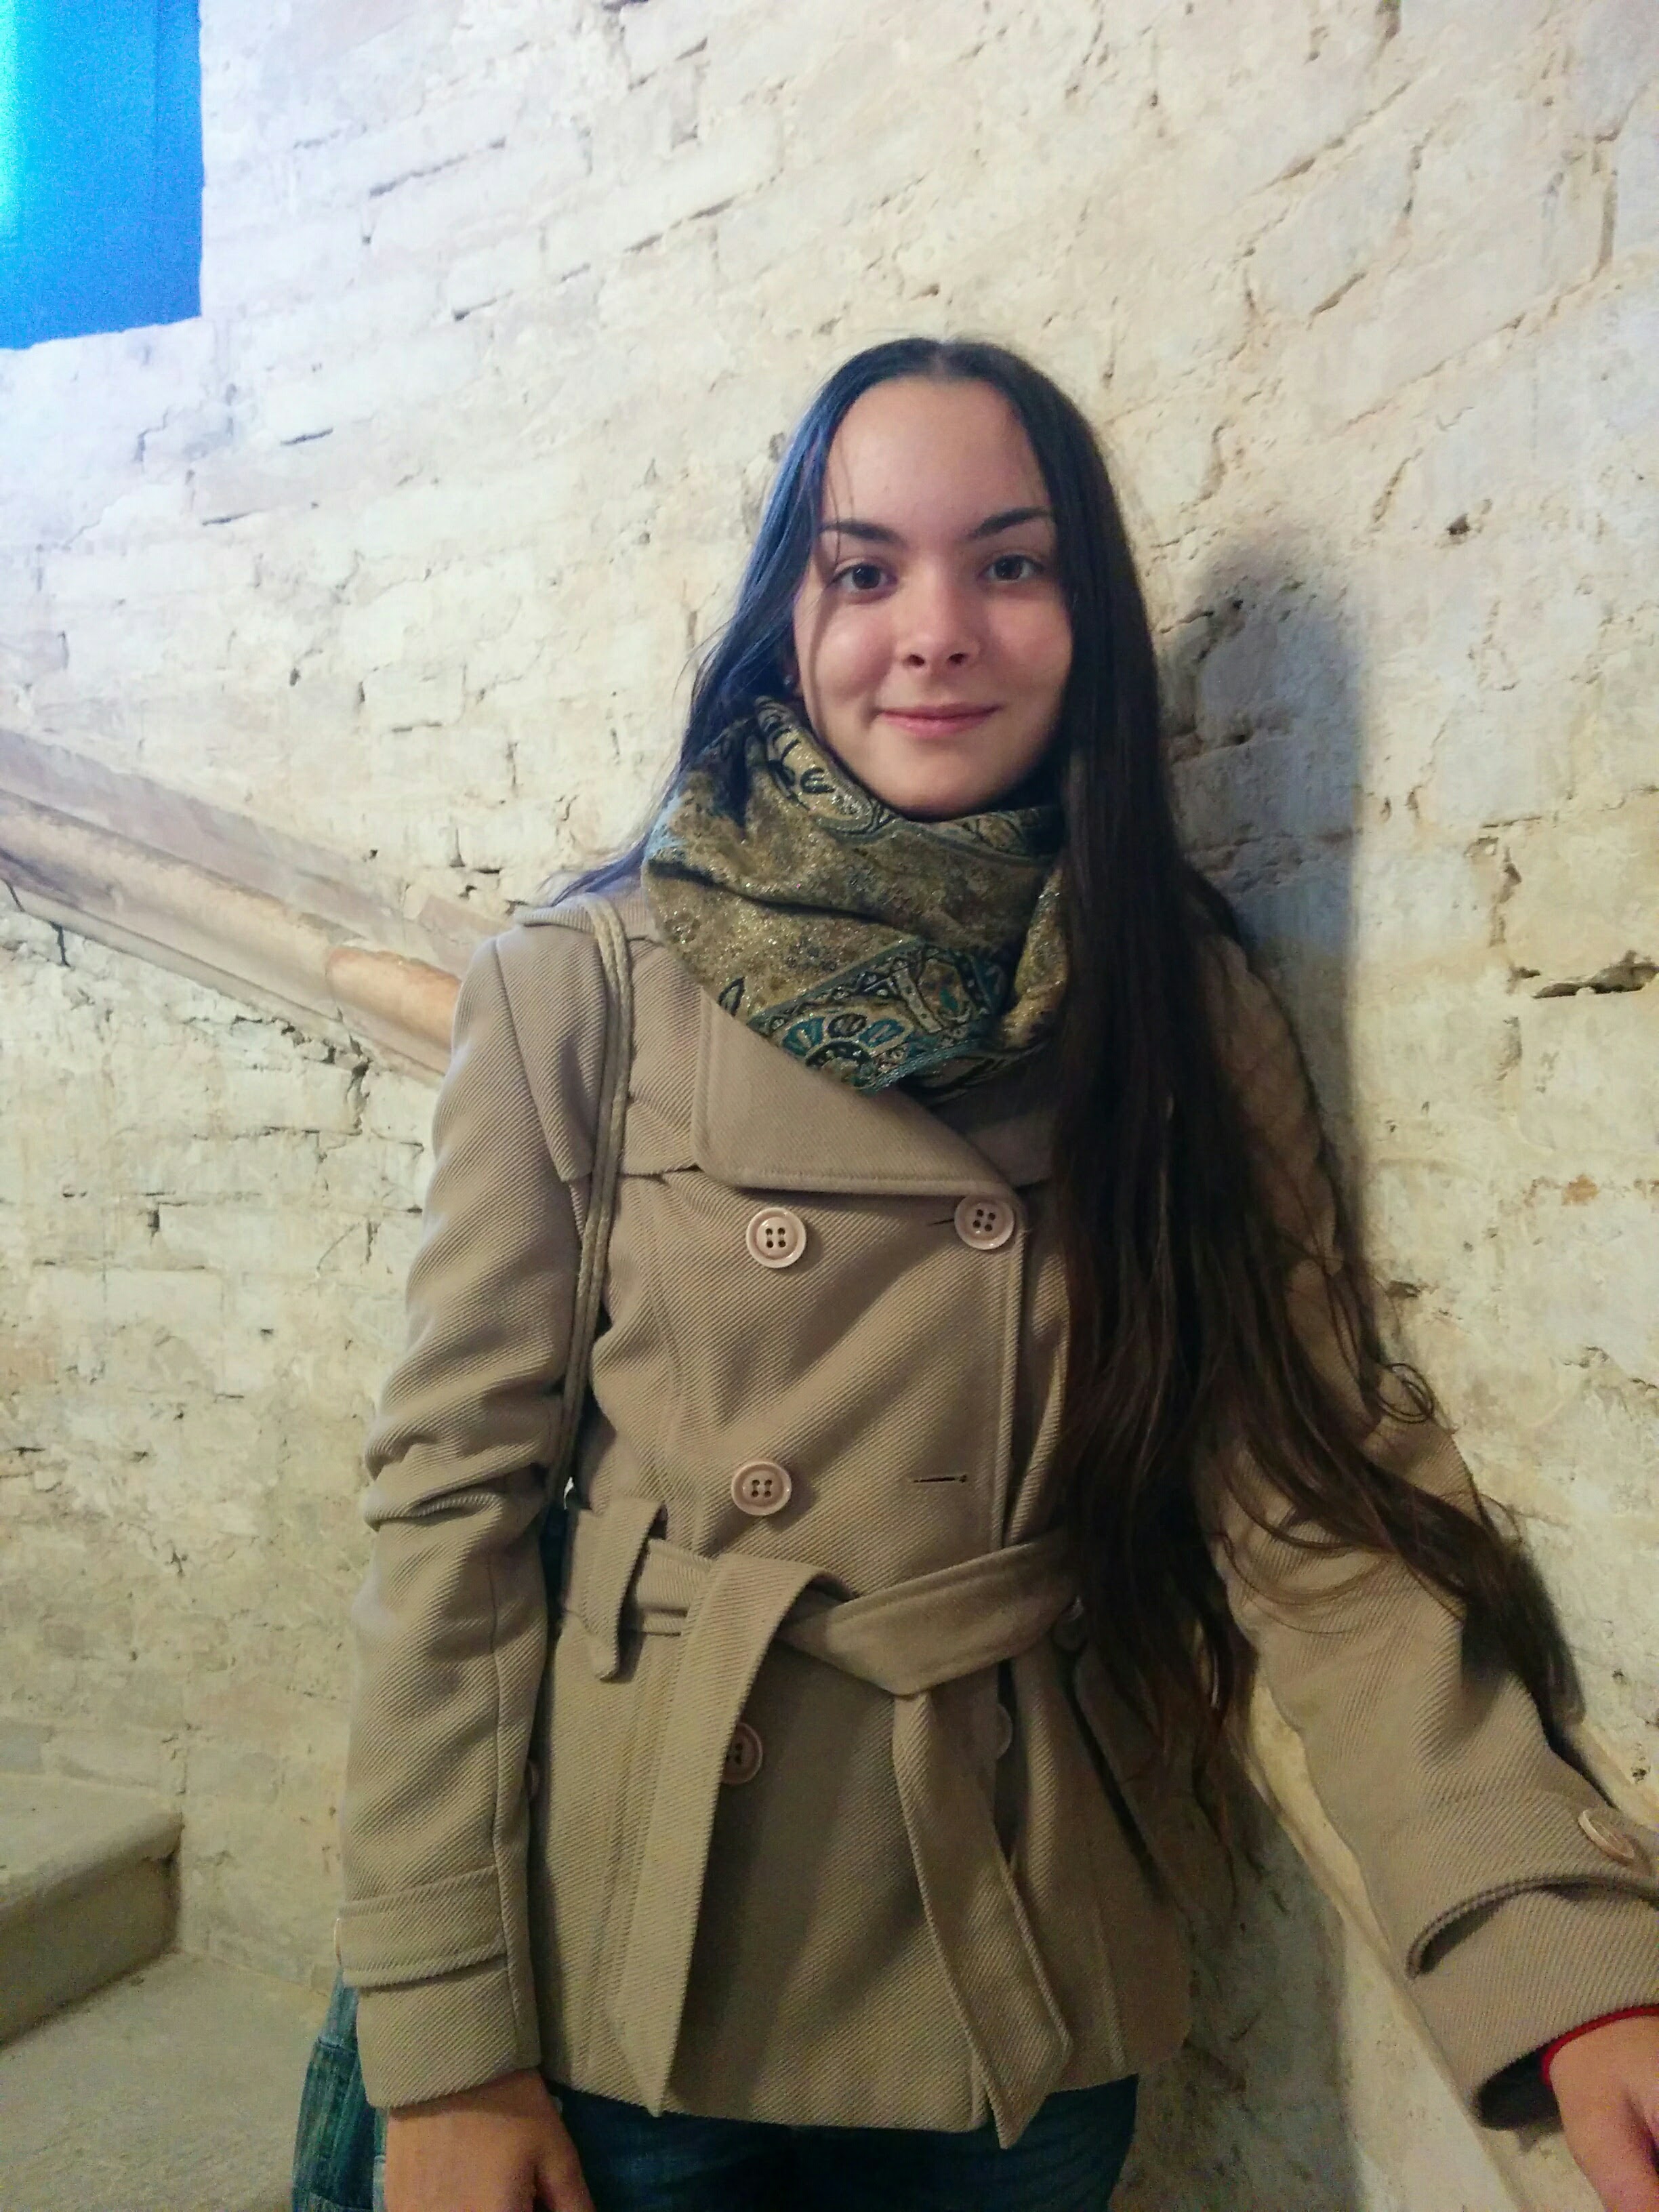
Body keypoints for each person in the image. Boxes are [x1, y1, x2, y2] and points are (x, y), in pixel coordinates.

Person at [335, 339, 1659, 2212]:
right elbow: (451, 1511)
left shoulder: (1175, 1001)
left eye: (1011, 564)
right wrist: (448, 2046)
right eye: (866, 569)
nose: (937, 631)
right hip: (629, 1944)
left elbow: (1306, 1497)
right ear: (788, 616)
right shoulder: (583, 984)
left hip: (1010, 1951)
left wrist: (1556, 1947)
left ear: (1086, 616)